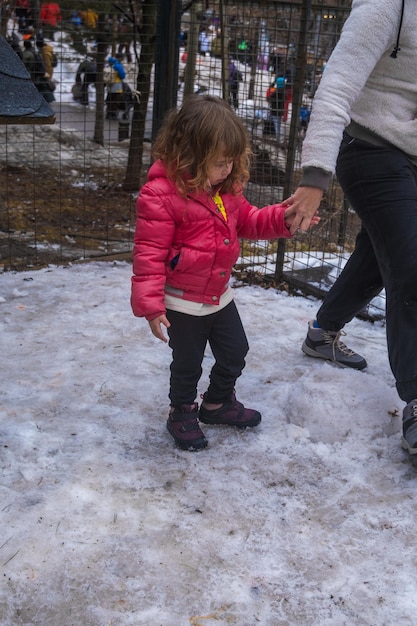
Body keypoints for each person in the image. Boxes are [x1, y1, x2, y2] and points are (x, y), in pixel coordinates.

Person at [130, 94, 319, 450]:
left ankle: (217, 403)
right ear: (190, 156)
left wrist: (283, 218)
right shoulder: (160, 195)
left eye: (231, 161)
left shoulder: (225, 191)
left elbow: (248, 220)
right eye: (220, 163)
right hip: (182, 301)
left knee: (236, 351)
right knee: (187, 362)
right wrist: (151, 306)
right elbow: (149, 254)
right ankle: (182, 411)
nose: (228, 170)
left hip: (218, 295)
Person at [284, 0, 417, 459]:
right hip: (369, 149)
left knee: (381, 257)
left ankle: (322, 334)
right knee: (411, 266)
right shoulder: (384, 10)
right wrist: (315, 177)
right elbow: (336, 87)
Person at [105, 55, 125, 119]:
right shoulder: (118, 66)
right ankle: (113, 114)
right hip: (117, 86)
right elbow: (122, 75)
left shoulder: (108, 65)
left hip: (109, 85)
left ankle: (108, 113)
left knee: (109, 99)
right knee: (115, 100)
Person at [266, 76, 285, 140]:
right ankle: (280, 137)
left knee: (276, 124)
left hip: (275, 110)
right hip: (281, 110)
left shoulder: (276, 92)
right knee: (279, 124)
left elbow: (269, 98)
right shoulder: (284, 91)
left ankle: (278, 138)